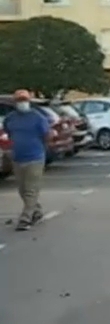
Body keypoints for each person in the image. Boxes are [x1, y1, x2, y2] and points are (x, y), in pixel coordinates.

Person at [4, 90, 51, 231]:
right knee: (22, 190)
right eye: (19, 100)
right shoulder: (11, 118)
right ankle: (36, 211)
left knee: (31, 189)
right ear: (15, 102)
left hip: (34, 158)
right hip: (18, 158)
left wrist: (42, 149)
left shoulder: (37, 118)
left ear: (29, 101)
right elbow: (8, 132)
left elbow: (46, 135)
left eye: (24, 100)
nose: (21, 103)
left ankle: (25, 218)